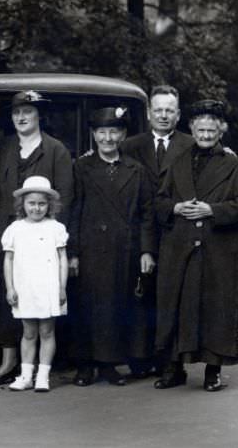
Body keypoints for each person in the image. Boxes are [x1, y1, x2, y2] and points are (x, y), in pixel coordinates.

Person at [153, 99, 238, 392]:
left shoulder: (234, 165)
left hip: (217, 247)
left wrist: (212, 211)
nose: (206, 135)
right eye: (201, 130)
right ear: (192, 129)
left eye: (212, 130)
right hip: (179, 246)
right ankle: (174, 369)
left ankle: (213, 370)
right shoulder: (178, 161)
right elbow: (158, 202)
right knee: (175, 305)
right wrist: (175, 208)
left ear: (221, 131)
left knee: (215, 308)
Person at [0, 90, 73, 387]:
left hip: (43, 239)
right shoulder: (2, 147)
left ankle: (39, 369)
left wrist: (58, 240)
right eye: (16, 113)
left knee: (41, 298)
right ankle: (8, 362)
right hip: (8, 230)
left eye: (28, 112)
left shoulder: (56, 150)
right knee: (7, 291)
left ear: (38, 115)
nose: (21, 118)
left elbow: (66, 197)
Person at [67, 106, 157, 387]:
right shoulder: (81, 167)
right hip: (91, 249)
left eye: (114, 131)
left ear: (123, 135)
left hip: (124, 249)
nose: (107, 137)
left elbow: (147, 213)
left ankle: (109, 364)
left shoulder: (136, 170)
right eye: (102, 132)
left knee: (117, 305)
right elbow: (73, 210)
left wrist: (146, 250)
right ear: (94, 135)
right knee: (86, 307)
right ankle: (84, 365)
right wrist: (73, 253)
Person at [118, 85, 194, 378]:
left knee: (174, 299)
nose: (163, 115)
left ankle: (171, 364)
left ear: (178, 115)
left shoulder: (190, 144)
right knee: (141, 298)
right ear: (149, 113)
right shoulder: (130, 146)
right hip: (138, 234)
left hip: (178, 232)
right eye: (158, 110)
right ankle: (140, 359)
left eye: (169, 111)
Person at [1, 176, 69, 392]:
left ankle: (43, 376)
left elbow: (62, 260)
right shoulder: (15, 228)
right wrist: (10, 287)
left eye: (42, 203)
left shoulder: (55, 228)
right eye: (32, 203)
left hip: (48, 287)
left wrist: (61, 287)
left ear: (50, 205)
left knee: (47, 331)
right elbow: (9, 260)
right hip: (25, 287)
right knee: (29, 332)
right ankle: (26, 375)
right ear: (23, 204)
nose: (37, 208)